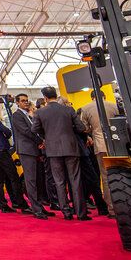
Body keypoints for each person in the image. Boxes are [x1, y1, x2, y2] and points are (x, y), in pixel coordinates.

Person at [33, 86, 90, 220]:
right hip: (71, 148)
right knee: (75, 181)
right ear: (56, 95)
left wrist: (46, 135)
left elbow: (34, 129)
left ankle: (66, 212)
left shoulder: (40, 112)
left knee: (59, 182)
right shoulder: (68, 110)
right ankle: (81, 213)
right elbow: (81, 127)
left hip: (53, 150)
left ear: (45, 98)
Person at [11, 93, 50, 218]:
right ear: (17, 103)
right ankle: (36, 209)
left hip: (35, 150)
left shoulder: (29, 115)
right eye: (23, 100)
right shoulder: (17, 115)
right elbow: (26, 131)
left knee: (38, 180)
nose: (26, 102)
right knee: (31, 180)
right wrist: (40, 141)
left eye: (27, 100)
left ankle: (40, 206)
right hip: (26, 150)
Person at [79, 95, 119, 215]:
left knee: (106, 177)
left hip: (100, 145)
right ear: (104, 96)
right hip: (117, 144)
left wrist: (92, 131)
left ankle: (111, 209)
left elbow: (84, 128)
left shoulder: (86, 108)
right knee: (119, 173)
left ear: (92, 97)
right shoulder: (114, 106)